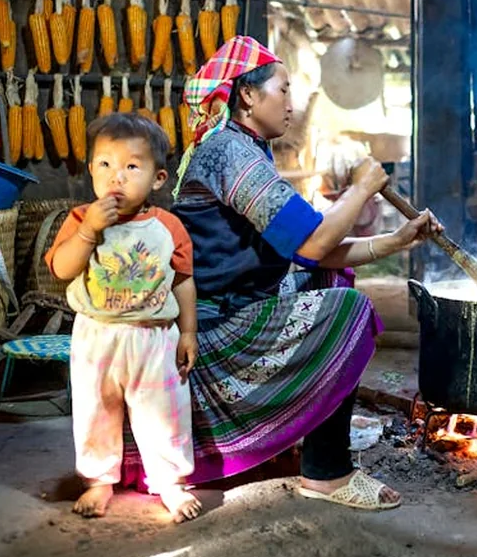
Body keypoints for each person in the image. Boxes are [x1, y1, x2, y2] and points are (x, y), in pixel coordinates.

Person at [121, 35, 439, 510]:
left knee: (333, 284)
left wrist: (395, 240)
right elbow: (313, 243)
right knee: (350, 312)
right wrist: (362, 189)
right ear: (247, 96)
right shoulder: (230, 152)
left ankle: (300, 429)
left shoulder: (243, 148)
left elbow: (315, 253)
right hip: (211, 325)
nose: (291, 103)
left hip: (238, 299)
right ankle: (326, 473)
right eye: (283, 89)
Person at [46, 113, 202, 523]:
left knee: (164, 410)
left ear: (158, 179)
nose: (117, 176)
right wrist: (89, 232)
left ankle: (170, 482)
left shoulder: (168, 227)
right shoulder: (81, 219)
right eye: (105, 164)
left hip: (153, 337)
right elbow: (62, 269)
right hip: (96, 335)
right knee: (95, 410)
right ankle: (99, 481)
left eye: (131, 166)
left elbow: (183, 281)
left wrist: (189, 331)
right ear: (91, 172)